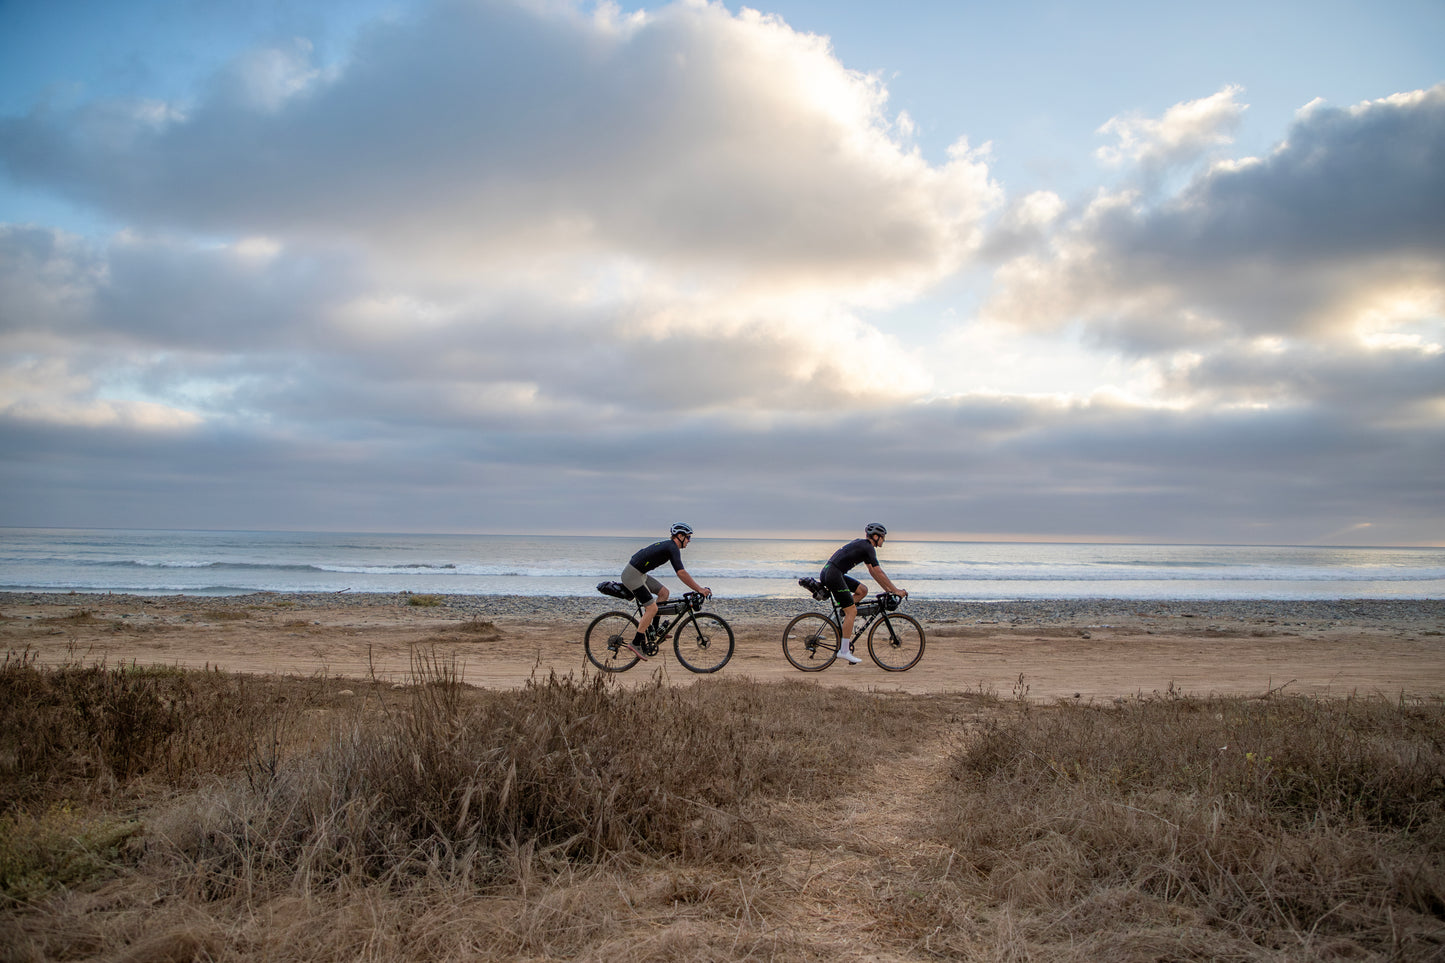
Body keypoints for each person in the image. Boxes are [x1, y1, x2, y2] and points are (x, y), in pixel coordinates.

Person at [619, 522, 711, 660]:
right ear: (679, 536)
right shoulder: (672, 548)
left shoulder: (670, 547)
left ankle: (654, 630)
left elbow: (680, 573)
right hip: (632, 576)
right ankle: (636, 642)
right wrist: (699, 589)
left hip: (640, 574)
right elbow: (681, 573)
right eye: (688, 537)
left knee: (664, 593)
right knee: (651, 608)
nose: (689, 541)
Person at [819, 522, 908, 664]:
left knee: (862, 590)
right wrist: (896, 590)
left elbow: (873, 572)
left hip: (832, 572)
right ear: (876, 536)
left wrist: (889, 590)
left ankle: (842, 614)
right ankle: (844, 651)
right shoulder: (868, 547)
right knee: (852, 612)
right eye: (883, 537)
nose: (884, 540)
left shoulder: (865, 546)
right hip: (833, 575)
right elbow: (878, 571)